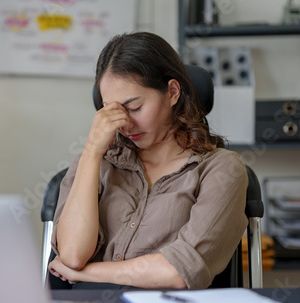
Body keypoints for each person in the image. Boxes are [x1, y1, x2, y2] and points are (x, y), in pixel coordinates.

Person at [48, 32, 248, 289]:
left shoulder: (221, 169)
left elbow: (178, 273)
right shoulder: (96, 162)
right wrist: (91, 152)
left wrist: (88, 274)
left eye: (133, 108)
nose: (124, 123)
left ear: (172, 92)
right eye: (111, 110)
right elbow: (73, 256)